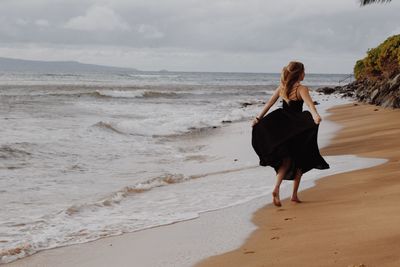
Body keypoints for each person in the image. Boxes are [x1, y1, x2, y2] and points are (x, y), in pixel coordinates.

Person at [251, 61, 329, 207]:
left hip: (282, 126)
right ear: (299, 73)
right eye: (304, 71)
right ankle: (293, 195)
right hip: (296, 128)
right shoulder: (301, 88)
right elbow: (310, 105)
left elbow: (269, 104)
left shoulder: (282, 87)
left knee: (286, 161)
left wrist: (258, 118)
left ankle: (276, 188)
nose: (305, 74)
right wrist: (315, 116)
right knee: (299, 160)